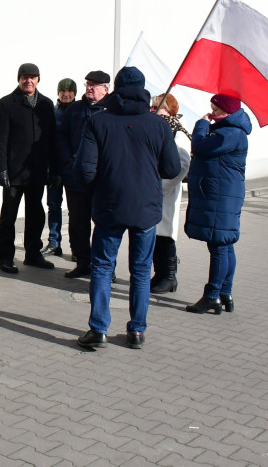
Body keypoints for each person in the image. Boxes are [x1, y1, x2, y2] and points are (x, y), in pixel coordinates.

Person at [75, 66, 181, 350]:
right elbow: (171, 168)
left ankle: (98, 329)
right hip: (145, 207)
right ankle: (136, 330)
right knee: (141, 270)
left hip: (109, 206)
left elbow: (85, 171)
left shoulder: (98, 121)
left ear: (116, 89)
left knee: (102, 267)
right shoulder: (158, 125)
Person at [184, 94, 251, 315]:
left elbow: (200, 147)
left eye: (217, 110)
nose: (212, 114)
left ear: (228, 113)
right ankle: (225, 294)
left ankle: (212, 296)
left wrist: (202, 124)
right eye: (212, 109)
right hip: (223, 195)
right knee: (224, 245)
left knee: (219, 246)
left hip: (220, 196)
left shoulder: (230, 133)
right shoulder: (230, 131)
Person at [0, 63, 58, 273]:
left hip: (37, 172)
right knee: (9, 216)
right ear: (18, 79)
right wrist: (0, 169)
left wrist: (54, 169)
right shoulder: (6, 104)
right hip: (13, 173)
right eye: (24, 77)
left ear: (38, 79)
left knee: (36, 215)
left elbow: (53, 140)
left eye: (32, 77)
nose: (28, 80)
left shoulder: (46, 105)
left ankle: (33, 254)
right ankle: (5, 257)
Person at [58, 70, 110, 279]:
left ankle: (105, 266)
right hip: (76, 177)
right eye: (88, 84)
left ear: (106, 89)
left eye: (95, 85)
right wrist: (68, 160)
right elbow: (61, 135)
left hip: (102, 179)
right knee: (78, 222)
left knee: (104, 224)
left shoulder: (112, 110)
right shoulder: (75, 110)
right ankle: (82, 261)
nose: (89, 88)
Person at [149, 93, 192, 294]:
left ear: (170, 110)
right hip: (152, 191)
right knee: (155, 235)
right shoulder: (156, 129)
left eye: (158, 107)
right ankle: (158, 274)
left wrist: (161, 187)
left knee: (165, 235)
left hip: (165, 191)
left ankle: (169, 277)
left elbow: (183, 164)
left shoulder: (177, 132)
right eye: (152, 107)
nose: (154, 110)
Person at [44, 78, 77, 258]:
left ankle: (76, 247)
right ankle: (54, 242)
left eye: (69, 91)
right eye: (62, 91)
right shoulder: (52, 112)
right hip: (54, 168)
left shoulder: (78, 111)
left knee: (75, 210)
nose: (65, 94)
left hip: (72, 168)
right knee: (54, 206)